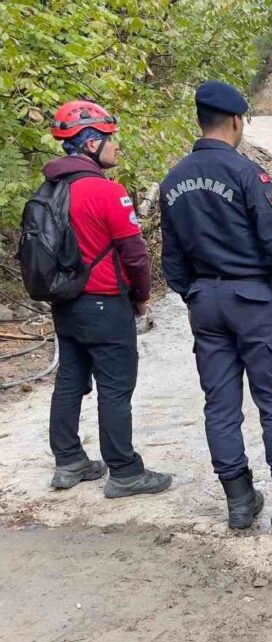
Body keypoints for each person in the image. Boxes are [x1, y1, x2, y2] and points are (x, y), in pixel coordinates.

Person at [160, 80, 272, 531]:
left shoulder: (173, 180)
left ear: (199, 120)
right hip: (253, 302)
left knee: (220, 406)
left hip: (205, 303)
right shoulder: (247, 174)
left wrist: (196, 294)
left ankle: (239, 502)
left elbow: (172, 259)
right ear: (236, 121)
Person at [43, 100, 173, 498]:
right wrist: (141, 296)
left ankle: (69, 461)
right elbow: (134, 254)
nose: (116, 145)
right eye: (109, 138)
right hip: (104, 303)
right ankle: (125, 472)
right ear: (89, 143)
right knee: (115, 387)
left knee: (69, 380)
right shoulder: (107, 191)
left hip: (66, 303)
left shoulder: (49, 189)